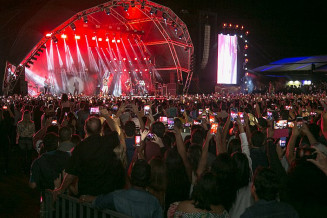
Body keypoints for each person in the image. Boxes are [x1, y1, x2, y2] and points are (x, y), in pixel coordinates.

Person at [52, 116, 125, 197]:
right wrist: (106, 115)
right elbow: (115, 130)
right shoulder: (108, 141)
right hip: (105, 194)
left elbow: (70, 174)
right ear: (101, 129)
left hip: (87, 194)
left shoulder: (80, 147)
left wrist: (60, 189)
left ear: (85, 129)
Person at [80, 159, 163, 218]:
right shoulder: (154, 202)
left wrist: (87, 198)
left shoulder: (117, 196)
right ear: (148, 179)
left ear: (131, 176)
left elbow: (99, 202)